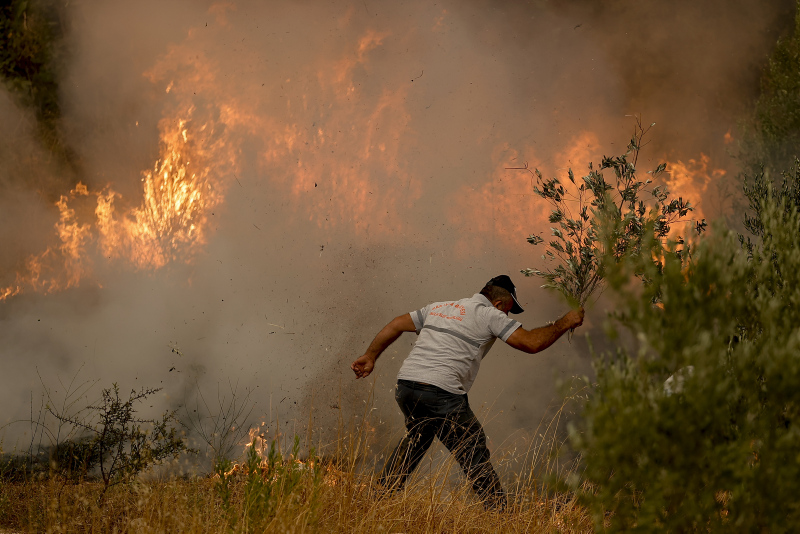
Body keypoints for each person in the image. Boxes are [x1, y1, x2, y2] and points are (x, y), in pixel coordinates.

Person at [350, 275, 585, 510]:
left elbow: (395, 324)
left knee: (417, 439)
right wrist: (564, 322)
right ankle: (500, 514)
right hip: (440, 391)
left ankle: (379, 497)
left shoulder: (440, 307)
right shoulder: (490, 315)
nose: (507, 318)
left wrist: (371, 355)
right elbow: (532, 343)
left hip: (406, 386)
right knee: (472, 448)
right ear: (499, 304)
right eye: (509, 312)